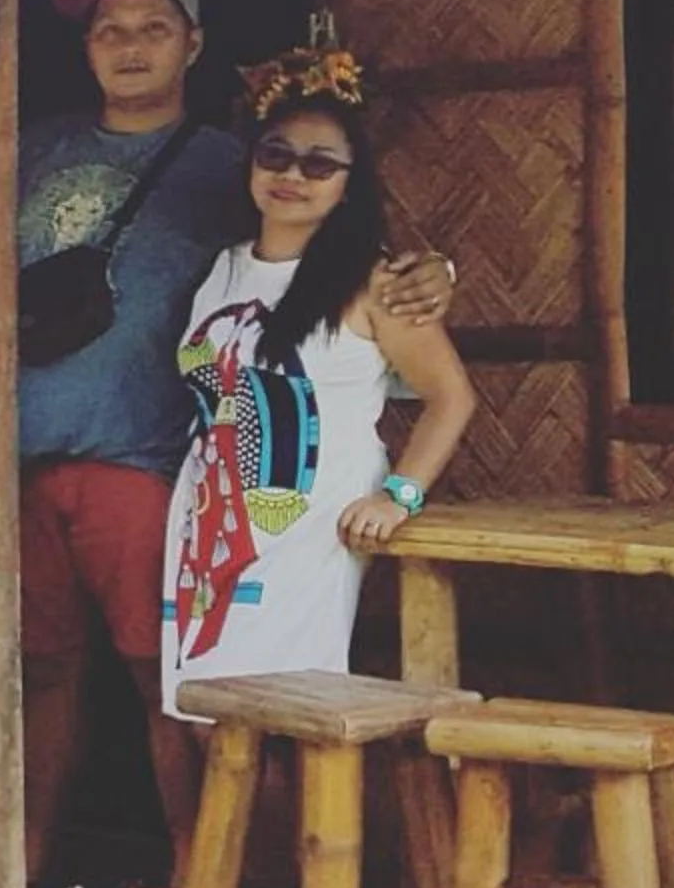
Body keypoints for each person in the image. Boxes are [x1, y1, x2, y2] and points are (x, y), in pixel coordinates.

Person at [17, 0, 453, 888]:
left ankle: (202, 882)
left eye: (153, 27)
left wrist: (431, 273)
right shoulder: (30, 151)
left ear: (195, 44)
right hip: (42, 463)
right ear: (84, 48)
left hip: (150, 463)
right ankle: (26, 869)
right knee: (41, 672)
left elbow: (351, 250)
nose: (129, 46)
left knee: (171, 681)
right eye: (108, 29)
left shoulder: (227, 164)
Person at [164, 47, 479, 706]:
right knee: (207, 709)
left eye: (319, 164)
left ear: (347, 183)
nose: (292, 175)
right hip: (210, 519)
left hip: (310, 524)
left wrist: (400, 496)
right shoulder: (220, 271)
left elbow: (450, 398)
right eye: (275, 154)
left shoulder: (374, 282)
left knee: (283, 705)